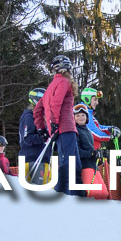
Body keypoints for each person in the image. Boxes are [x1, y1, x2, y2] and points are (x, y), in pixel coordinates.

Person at [33, 55, 83, 195]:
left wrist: (42, 128)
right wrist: (53, 123)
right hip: (65, 127)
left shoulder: (50, 86)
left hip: (60, 129)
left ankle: (75, 192)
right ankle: (65, 193)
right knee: (69, 163)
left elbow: (38, 109)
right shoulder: (64, 82)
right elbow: (56, 103)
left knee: (75, 163)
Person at [19, 87, 50, 184]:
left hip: (43, 158)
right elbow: (27, 138)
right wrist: (44, 136)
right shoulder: (29, 117)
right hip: (33, 158)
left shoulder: (41, 118)